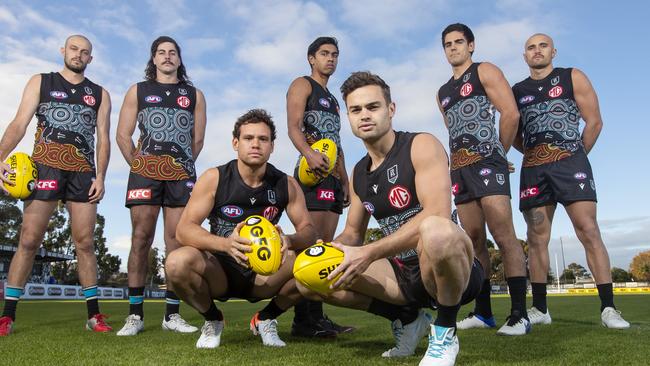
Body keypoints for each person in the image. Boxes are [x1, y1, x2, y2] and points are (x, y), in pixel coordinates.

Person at [297, 71, 485, 366]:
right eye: (355, 110)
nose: (364, 115)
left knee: (436, 230)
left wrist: (369, 252)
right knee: (307, 279)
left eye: (373, 107)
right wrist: (324, 250)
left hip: (445, 266)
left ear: (391, 109)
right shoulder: (359, 172)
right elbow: (352, 234)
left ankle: (445, 330)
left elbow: (436, 212)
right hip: (401, 274)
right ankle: (406, 318)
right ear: (348, 117)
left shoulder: (421, 145)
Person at [166, 109, 317, 348]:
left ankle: (266, 319)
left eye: (263, 139)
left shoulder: (286, 183)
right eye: (248, 138)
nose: (255, 144)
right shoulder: (215, 177)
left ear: (272, 146)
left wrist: (289, 240)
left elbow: (309, 231)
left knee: (317, 260)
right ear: (235, 143)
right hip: (221, 269)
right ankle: (213, 320)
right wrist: (226, 244)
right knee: (176, 263)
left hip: (265, 274)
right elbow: (184, 230)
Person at [512, 33, 629, 329]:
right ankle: (540, 308)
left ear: (553, 51)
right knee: (537, 238)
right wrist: (536, 154)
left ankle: (609, 309)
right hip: (534, 171)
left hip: (571, 167)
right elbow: (511, 130)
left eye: (543, 45)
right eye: (531, 47)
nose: (537, 51)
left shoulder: (572, 77)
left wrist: (573, 155)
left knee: (589, 231)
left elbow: (594, 121)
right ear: (524, 56)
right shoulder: (516, 90)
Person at [0, 35, 112, 335]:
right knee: (28, 240)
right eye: (74, 49)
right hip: (44, 167)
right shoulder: (41, 82)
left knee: (85, 243)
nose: (78, 55)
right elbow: (19, 123)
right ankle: (7, 316)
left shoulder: (100, 94)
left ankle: (94, 316)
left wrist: (101, 176)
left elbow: (103, 138)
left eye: (85, 52)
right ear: (63, 51)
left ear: (90, 58)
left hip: (83, 173)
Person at [436, 23, 530, 335]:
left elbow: (511, 114)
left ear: (471, 45)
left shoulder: (485, 71)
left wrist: (499, 154)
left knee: (504, 234)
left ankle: (519, 315)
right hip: (460, 169)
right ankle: (484, 312)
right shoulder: (442, 92)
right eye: (448, 44)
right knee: (473, 239)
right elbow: (453, 130)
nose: (453, 48)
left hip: (488, 162)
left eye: (459, 42)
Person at [115, 36, 206, 336]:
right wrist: (141, 166)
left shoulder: (194, 95)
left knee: (176, 242)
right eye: (161, 53)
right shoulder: (138, 91)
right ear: (153, 59)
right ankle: (135, 315)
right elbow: (122, 135)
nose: (167, 57)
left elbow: (197, 141)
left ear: (179, 59)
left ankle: (172, 315)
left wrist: (177, 168)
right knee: (141, 238)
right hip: (144, 174)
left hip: (181, 175)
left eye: (172, 53)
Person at [285, 36, 353, 337]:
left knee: (323, 247)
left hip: (332, 179)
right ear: (311, 58)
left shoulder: (334, 99)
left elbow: (336, 143)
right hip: (310, 177)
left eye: (335, 55)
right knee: (310, 245)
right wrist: (309, 154)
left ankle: (317, 317)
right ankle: (303, 321)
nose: (330, 59)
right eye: (324, 54)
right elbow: (293, 127)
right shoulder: (303, 84)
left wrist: (346, 179)